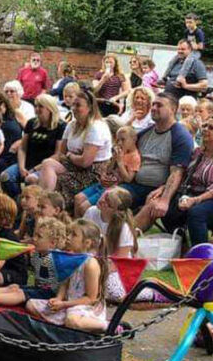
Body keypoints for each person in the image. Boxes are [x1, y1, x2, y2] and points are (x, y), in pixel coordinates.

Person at [0, 217, 67, 307]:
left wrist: (58, 298)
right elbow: (38, 280)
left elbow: (63, 283)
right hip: (40, 289)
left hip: (49, 294)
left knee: (19, 293)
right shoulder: (37, 255)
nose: (34, 239)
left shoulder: (56, 259)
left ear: (52, 243)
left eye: (39, 237)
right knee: (14, 287)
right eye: (35, 235)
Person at [26, 219, 109, 333]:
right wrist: (58, 299)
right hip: (68, 305)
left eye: (74, 235)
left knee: (72, 320)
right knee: (31, 305)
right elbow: (65, 283)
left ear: (87, 243)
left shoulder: (91, 264)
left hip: (85, 307)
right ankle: (71, 325)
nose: (68, 237)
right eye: (69, 233)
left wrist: (64, 304)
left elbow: (91, 299)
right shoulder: (71, 257)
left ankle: (107, 326)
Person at [128, 93, 194, 231]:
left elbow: (177, 173)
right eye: (153, 104)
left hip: (159, 190)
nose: (153, 108)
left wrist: (164, 200)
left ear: (173, 110)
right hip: (135, 185)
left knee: (152, 206)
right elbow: (127, 154)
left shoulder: (180, 136)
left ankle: (123, 243)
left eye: (159, 105)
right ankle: (96, 242)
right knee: (110, 197)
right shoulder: (145, 133)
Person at [38, 90, 113, 211]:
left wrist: (70, 155)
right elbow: (61, 153)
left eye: (78, 105)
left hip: (92, 173)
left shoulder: (96, 127)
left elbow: (85, 162)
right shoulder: (72, 125)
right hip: (72, 166)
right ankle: (44, 206)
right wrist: (71, 156)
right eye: (73, 105)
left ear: (90, 108)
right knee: (45, 165)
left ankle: (47, 208)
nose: (73, 108)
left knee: (53, 178)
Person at [0, 94, 65, 198]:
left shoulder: (60, 126)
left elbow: (58, 154)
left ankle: (30, 205)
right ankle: (18, 202)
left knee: (30, 180)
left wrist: (34, 169)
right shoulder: (31, 123)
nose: (37, 109)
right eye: (36, 106)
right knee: (5, 177)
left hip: (43, 167)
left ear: (49, 108)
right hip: (26, 163)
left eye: (40, 106)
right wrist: (21, 167)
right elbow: (22, 148)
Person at [74, 126, 141, 217]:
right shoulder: (119, 153)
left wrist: (120, 162)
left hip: (112, 187)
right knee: (77, 198)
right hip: (103, 184)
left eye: (123, 140)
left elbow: (128, 179)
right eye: (118, 140)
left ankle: (87, 228)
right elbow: (108, 170)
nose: (120, 143)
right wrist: (113, 159)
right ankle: (75, 226)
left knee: (84, 207)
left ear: (133, 139)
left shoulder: (134, 157)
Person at [174, 117, 213, 246]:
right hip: (192, 193)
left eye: (211, 128)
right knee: (168, 208)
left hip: (209, 197)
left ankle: (201, 256)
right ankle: (182, 246)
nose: (206, 129)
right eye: (205, 126)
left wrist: (194, 200)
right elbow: (183, 174)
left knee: (196, 213)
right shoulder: (197, 153)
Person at [0, 92, 24, 172]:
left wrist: (21, 141)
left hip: (15, 154)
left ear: (5, 104)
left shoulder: (16, 114)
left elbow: (30, 131)